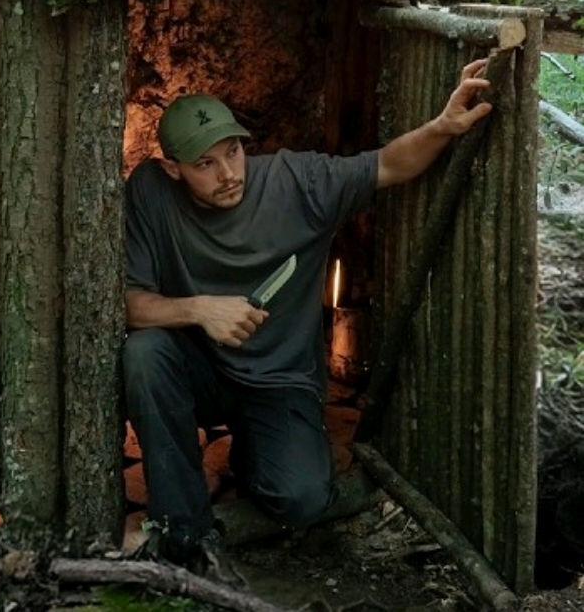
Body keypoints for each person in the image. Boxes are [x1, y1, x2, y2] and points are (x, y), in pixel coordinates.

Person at [123, 60, 492, 574]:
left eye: (233, 152)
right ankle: (184, 535)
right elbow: (129, 304)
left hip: (279, 382)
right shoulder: (151, 192)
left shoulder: (296, 181)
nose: (229, 174)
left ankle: (253, 457)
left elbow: (387, 165)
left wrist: (443, 127)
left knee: (302, 498)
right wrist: (200, 309)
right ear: (173, 169)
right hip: (199, 369)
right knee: (144, 353)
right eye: (205, 164)